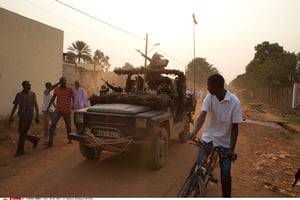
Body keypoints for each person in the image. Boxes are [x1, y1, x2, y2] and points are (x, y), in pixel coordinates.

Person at [189, 74, 243, 197]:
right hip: (208, 138)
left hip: (224, 142)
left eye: (210, 86)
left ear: (218, 87)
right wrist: (194, 132)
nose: (207, 88)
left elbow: (235, 128)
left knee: (225, 175)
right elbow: (202, 116)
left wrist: (231, 150)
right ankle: (189, 188)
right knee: (197, 166)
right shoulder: (209, 98)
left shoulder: (234, 102)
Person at [9, 81, 40, 156]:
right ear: (24, 86)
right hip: (21, 117)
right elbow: (15, 106)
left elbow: (36, 105)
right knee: (21, 132)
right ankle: (34, 140)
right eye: (28, 85)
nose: (30, 85)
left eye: (30, 84)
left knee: (22, 133)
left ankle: (20, 150)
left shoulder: (32, 94)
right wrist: (11, 116)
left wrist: (37, 116)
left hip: (29, 117)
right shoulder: (18, 95)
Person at [46, 77, 74, 147]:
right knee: (53, 124)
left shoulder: (70, 90)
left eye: (64, 82)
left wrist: (73, 104)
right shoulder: (56, 90)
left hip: (67, 111)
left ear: (66, 82)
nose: (63, 83)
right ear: (60, 83)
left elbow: (73, 97)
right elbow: (53, 98)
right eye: (62, 82)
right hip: (58, 110)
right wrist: (48, 107)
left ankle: (70, 139)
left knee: (68, 126)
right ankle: (50, 141)